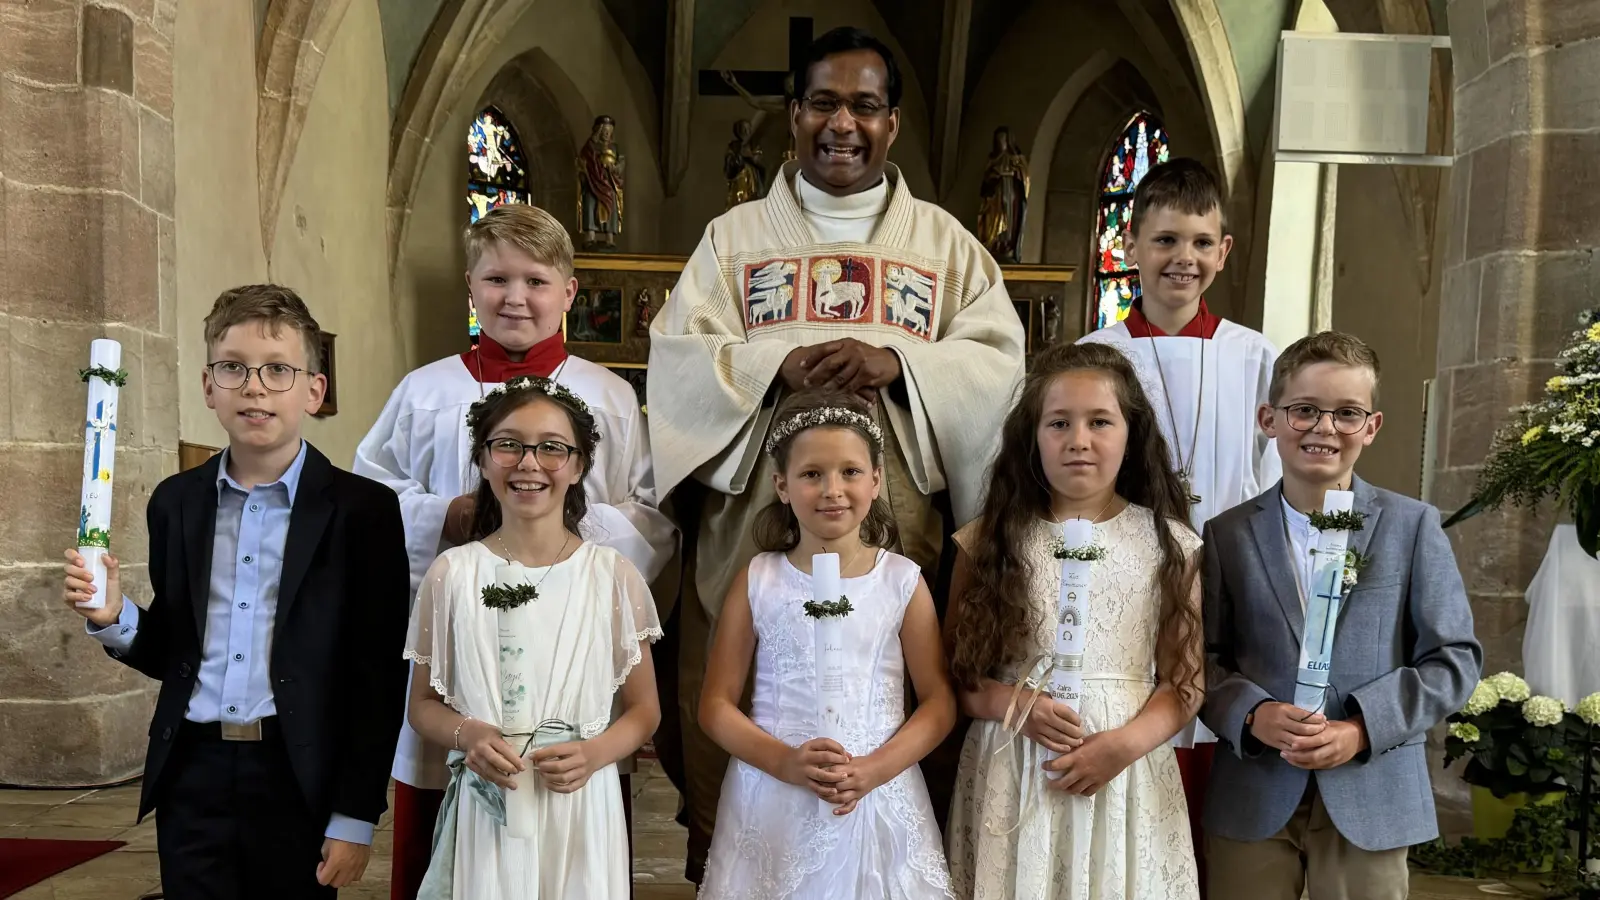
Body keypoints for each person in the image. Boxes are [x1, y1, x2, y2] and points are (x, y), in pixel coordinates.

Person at [647, 27, 1024, 879]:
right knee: (741, 670)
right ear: (793, 115)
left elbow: (1000, 364)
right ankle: (730, 855)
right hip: (755, 504)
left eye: (864, 106)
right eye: (823, 102)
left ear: (893, 122)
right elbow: (677, 355)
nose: (842, 124)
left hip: (894, 512)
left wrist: (901, 364)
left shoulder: (946, 246)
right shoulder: (732, 238)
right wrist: (771, 366)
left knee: (887, 673)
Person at [353, 203, 674, 900]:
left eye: (535, 281)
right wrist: (443, 516)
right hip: (462, 657)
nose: (516, 297)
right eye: (497, 279)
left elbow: (650, 514)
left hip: (570, 671)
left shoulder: (610, 396)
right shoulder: (424, 391)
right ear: (471, 287)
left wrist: (559, 541)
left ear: (569, 292)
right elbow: (369, 499)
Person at [61, 285, 410, 897]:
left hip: (298, 771)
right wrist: (117, 616)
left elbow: (377, 676)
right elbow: (176, 648)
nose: (254, 387)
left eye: (277, 370)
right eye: (233, 368)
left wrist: (356, 813)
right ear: (208, 386)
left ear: (314, 391)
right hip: (192, 769)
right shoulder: (176, 502)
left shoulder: (364, 511)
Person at [1200, 332, 1482, 900]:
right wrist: (1252, 713)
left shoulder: (1412, 527)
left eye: (1347, 413)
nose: (1324, 428)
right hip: (1254, 790)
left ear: (1371, 427)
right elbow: (1201, 657)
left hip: (1372, 787)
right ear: (1269, 419)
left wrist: (1361, 728)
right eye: (1304, 409)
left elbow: (1454, 660)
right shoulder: (1226, 533)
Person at [1077, 157, 1280, 874]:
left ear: (1224, 251)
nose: (1182, 258)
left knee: (1212, 761)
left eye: (1200, 242)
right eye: (1164, 240)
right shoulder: (1093, 357)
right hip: (1124, 585)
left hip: (1229, 582)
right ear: (1129, 245)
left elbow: (1274, 479)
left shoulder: (1255, 357)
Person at [944, 341, 1204, 899]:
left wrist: (1124, 745)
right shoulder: (988, 540)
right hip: (1014, 766)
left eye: (1100, 422)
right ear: (1032, 436)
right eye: (1059, 423)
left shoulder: (1168, 544)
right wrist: (1015, 706)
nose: (1078, 440)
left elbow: (1184, 683)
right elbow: (956, 679)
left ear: (1131, 435)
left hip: (1126, 770)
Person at [404, 376, 661, 897]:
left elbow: (644, 710)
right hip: (492, 800)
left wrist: (596, 752)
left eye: (551, 447)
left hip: (581, 804)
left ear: (579, 465)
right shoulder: (453, 574)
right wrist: (469, 734)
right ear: (482, 460)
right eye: (508, 445)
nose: (528, 463)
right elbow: (423, 705)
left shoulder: (612, 576)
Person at [697, 391, 956, 898]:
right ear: (782, 486)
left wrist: (874, 770)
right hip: (774, 793)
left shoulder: (901, 580)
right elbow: (715, 705)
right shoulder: (759, 580)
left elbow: (939, 702)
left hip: (877, 789)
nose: (832, 490)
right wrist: (784, 762)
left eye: (850, 472)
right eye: (812, 474)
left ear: (875, 480)